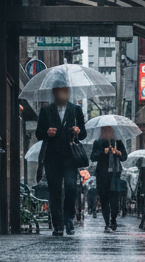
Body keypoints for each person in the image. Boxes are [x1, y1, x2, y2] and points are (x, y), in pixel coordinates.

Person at [35, 86, 86, 237]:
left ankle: (69, 218)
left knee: (71, 187)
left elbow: (83, 134)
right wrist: (47, 133)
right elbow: (38, 134)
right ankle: (58, 225)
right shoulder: (46, 111)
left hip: (70, 157)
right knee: (54, 191)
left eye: (64, 91)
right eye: (58, 91)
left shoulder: (76, 110)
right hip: (52, 158)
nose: (61, 94)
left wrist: (78, 131)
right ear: (54, 93)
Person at [90, 126, 128, 232]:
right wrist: (103, 152)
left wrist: (118, 152)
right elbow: (93, 157)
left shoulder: (118, 142)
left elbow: (124, 157)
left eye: (109, 130)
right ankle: (107, 222)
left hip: (115, 174)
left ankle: (113, 220)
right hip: (102, 175)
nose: (106, 132)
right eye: (104, 130)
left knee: (115, 199)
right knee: (104, 199)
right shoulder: (98, 143)